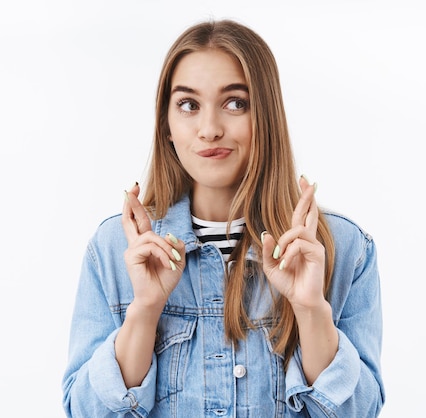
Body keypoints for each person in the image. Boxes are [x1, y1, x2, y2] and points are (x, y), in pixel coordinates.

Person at [62, 19, 384, 417]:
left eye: (236, 103)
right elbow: (86, 411)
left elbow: (361, 410)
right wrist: (145, 311)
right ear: (166, 124)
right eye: (188, 105)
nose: (210, 129)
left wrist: (311, 310)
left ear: (265, 116)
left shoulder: (341, 249)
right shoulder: (114, 249)